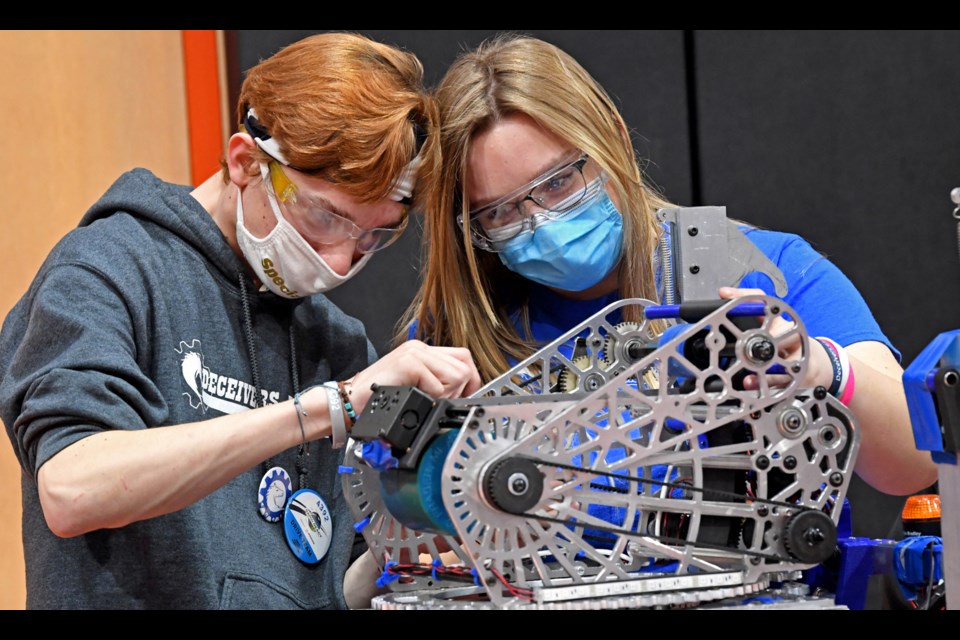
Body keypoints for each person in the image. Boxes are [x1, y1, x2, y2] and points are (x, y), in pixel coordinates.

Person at [0, 32, 480, 609]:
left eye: (372, 235)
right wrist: (329, 408)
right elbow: (74, 489)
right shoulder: (109, 269)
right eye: (327, 216)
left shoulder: (338, 345)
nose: (340, 260)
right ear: (246, 162)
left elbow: (330, 587)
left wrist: (404, 534)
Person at [402, 33, 936, 498]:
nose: (542, 224)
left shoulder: (765, 269)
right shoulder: (453, 335)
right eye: (500, 211)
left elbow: (915, 461)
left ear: (613, 137)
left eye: (560, 181)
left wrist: (821, 369)